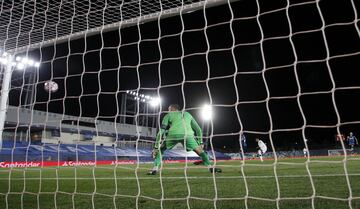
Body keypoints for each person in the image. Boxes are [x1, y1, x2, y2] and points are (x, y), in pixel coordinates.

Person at [148, 104, 222, 175]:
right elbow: (198, 129)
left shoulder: (168, 115)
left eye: (169, 109)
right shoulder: (187, 114)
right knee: (201, 152)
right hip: (188, 135)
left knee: (161, 150)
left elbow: (161, 131)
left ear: (172, 109)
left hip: (173, 135)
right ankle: (210, 167)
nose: (168, 111)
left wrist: (156, 147)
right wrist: (201, 142)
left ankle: (155, 168)